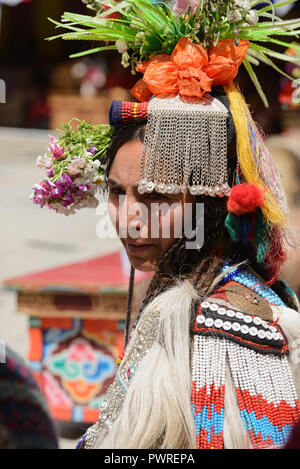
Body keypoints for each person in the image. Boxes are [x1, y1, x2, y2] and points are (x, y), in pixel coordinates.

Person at [31, 0, 300, 449]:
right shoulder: (185, 290)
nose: (130, 217)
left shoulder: (224, 323)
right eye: (117, 192)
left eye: (155, 196)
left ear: (211, 202)